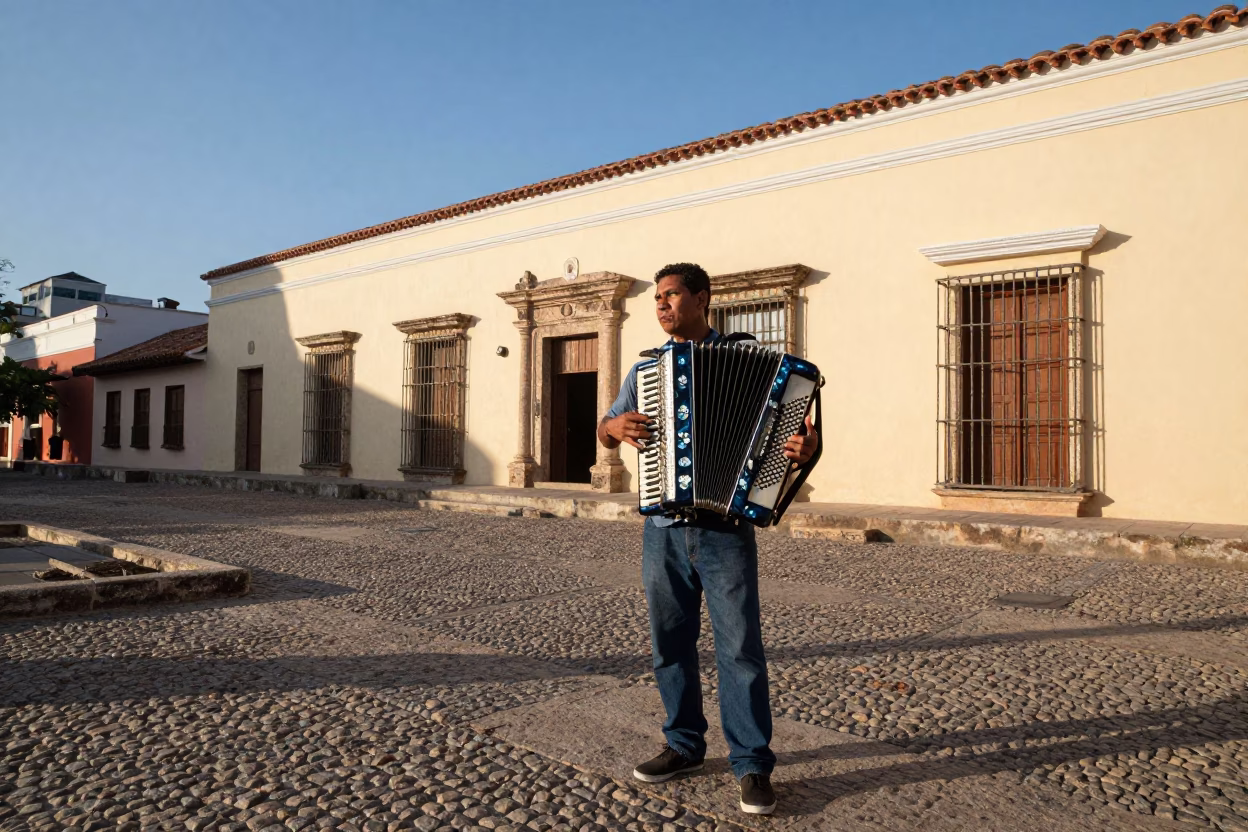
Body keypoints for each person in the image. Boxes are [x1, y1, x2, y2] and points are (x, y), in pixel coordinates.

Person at [597, 262, 818, 816]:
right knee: (669, 646)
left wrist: (803, 453)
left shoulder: (755, 364)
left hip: (726, 532)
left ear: (702, 299)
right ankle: (684, 746)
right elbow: (607, 424)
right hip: (663, 531)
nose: (662, 306)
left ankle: (752, 765)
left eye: (672, 296)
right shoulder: (647, 369)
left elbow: (793, 444)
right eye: (658, 299)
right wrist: (613, 430)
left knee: (739, 648)